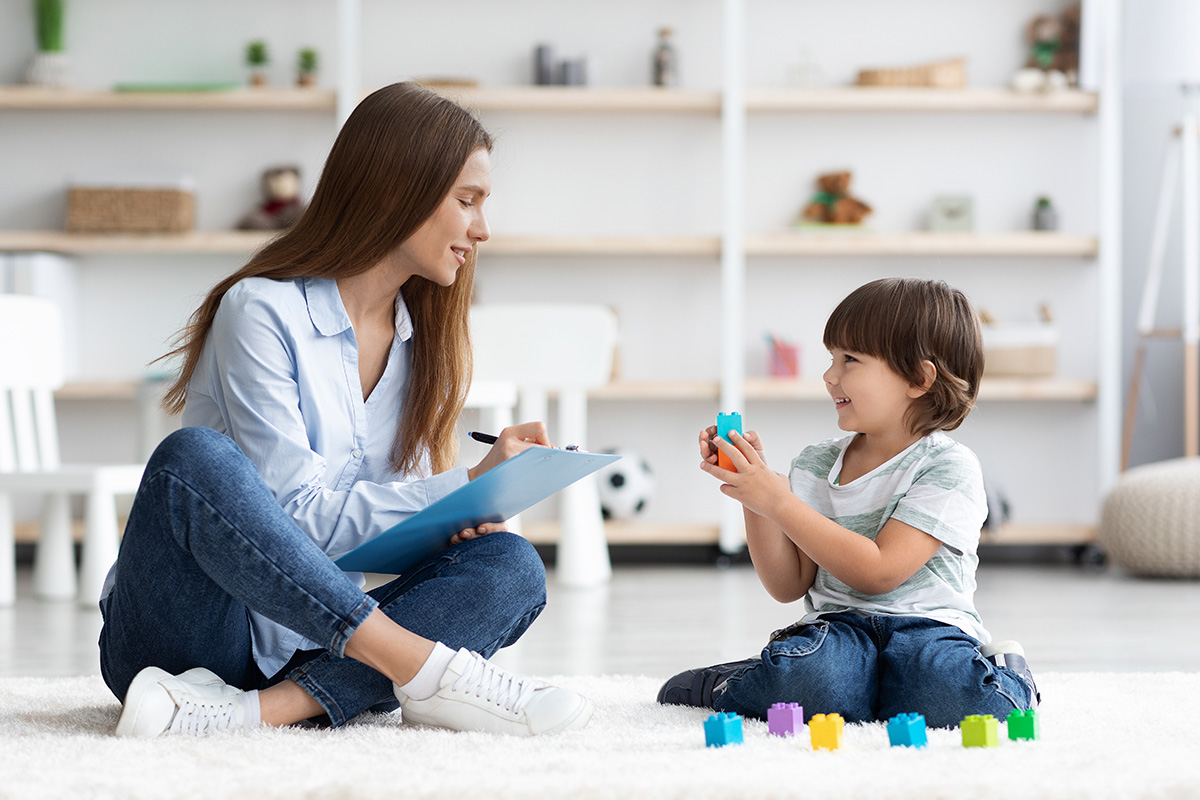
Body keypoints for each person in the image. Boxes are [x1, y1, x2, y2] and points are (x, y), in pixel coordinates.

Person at [98, 82, 593, 738]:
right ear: (399, 192)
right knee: (193, 458)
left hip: (314, 647)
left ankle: (260, 713)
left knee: (511, 566)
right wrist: (463, 489)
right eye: (467, 201)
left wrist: (462, 516)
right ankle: (423, 671)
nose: (482, 229)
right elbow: (295, 518)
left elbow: (380, 546)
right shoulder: (260, 311)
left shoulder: (423, 348)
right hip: (190, 636)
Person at [657, 277, 1039, 728]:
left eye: (850, 360)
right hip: (838, 629)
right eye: (831, 358)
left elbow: (878, 572)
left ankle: (1009, 672)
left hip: (929, 630)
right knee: (813, 679)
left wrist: (780, 502)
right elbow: (786, 586)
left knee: (954, 696)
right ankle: (736, 682)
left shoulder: (949, 467)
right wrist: (755, 496)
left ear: (919, 378)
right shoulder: (816, 463)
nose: (829, 375)